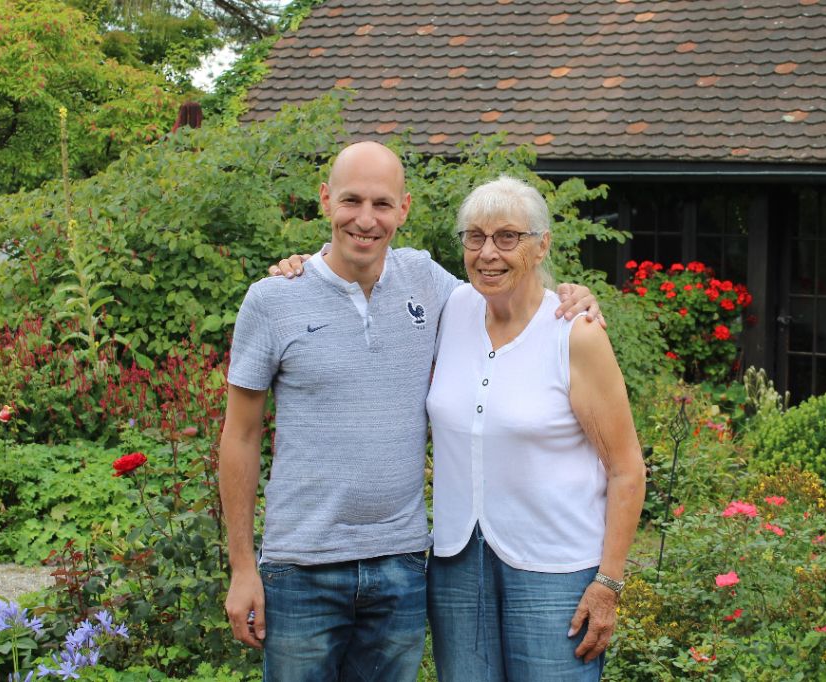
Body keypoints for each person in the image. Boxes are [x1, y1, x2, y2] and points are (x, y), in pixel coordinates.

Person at [220, 141, 600, 682]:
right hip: (300, 569)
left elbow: (505, 290)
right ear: (326, 201)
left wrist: (575, 297)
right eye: (351, 201)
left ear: (405, 209)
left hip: (400, 567)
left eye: (382, 204)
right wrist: (241, 568)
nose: (365, 220)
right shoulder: (273, 299)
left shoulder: (426, 281)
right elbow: (239, 437)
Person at [425, 176, 645, 681]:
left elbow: (627, 469)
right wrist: (304, 267)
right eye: (474, 237)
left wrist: (608, 582)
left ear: (542, 244)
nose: (488, 253)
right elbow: (371, 267)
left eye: (508, 237)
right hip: (458, 563)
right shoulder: (451, 308)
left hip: (555, 571)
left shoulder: (575, 333)